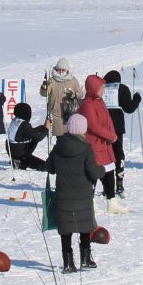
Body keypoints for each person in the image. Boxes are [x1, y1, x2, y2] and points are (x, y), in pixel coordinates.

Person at [47, 114, 102, 273]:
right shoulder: (86, 149)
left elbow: (50, 168)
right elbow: (93, 171)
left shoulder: (58, 147)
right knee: (85, 226)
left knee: (66, 229)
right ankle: (85, 258)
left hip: (64, 196)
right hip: (83, 195)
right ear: (83, 129)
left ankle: (68, 262)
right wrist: (102, 170)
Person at [77, 73, 120, 209]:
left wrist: (113, 134)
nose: (103, 91)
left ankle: (112, 202)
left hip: (104, 144)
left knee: (109, 172)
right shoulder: (87, 105)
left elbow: (108, 120)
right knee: (93, 173)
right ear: (93, 88)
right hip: (94, 144)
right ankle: (90, 202)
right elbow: (93, 126)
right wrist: (109, 136)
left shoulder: (100, 102)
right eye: (101, 88)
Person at [100, 70, 142, 197]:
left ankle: (105, 184)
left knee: (103, 154)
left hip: (102, 126)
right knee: (118, 154)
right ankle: (119, 181)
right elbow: (128, 108)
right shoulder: (122, 88)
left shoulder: (101, 88)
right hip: (117, 126)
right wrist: (136, 99)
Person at [39, 59, 82, 134]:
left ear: (67, 70)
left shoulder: (73, 80)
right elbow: (44, 94)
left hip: (70, 113)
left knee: (71, 137)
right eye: (59, 70)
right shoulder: (52, 80)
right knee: (59, 138)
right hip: (56, 115)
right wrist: (44, 88)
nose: (61, 72)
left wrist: (74, 95)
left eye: (63, 70)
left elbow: (80, 94)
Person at [7, 102, 49, 171]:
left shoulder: (16, 120)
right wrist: (46, 128)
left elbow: (31, 132)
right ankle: (21, 161)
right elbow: (38, 137)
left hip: (13, 150)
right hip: (20, 153)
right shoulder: (23, 125)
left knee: (33, 136)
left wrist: (42, 127)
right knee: (45, 166)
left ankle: (18, 161)